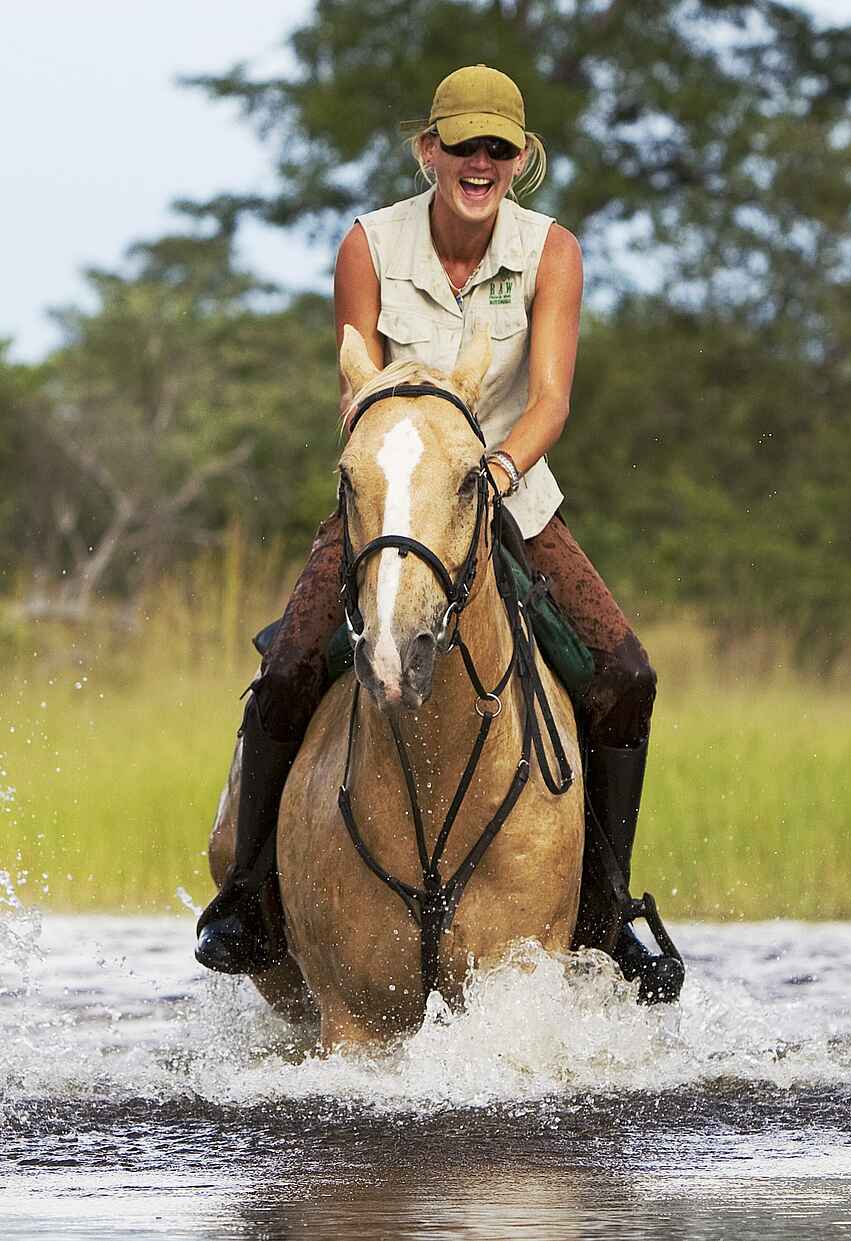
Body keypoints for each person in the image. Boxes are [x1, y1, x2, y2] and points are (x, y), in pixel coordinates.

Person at [194, 64, 684, 1004]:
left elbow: (548, 398)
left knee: (626, 673)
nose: (481, 162)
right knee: (292, 662)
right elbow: (358, 389)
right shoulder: (367, 245)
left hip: (506, 489)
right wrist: (408, 477)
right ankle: (250, 897)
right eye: (463, 144)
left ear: (521, 159)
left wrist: (494, 472)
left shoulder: (553, 252)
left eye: (500, 148)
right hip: (395, 492)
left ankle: (604, 907)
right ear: (430, 151)